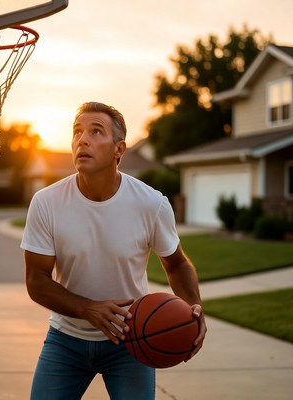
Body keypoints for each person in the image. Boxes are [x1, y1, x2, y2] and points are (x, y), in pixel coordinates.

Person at [21, 101, 207, 399]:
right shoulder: (47, 202)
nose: (83, 139)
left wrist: (193, 305)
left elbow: (176, 263)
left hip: (131, 339)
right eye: (78, 131)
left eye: (96, 132)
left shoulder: (151, 203)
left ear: (119, 149)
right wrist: (87, 309)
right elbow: (37, 281)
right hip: (66, 339)